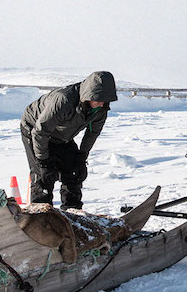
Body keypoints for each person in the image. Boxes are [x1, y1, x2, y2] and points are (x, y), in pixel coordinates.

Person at [21, 71, 117, 210]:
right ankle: (40, 217)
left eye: (104, 100)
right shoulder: (63, 100)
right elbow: (41, 131)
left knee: (74, 172)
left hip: (62, 134)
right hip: (34, 129)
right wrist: (43, 162)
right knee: (43, 177)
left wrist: (81, 157)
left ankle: (73, 213)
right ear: (88, 94)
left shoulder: (101, 108)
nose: (101, 103)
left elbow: (92, 133)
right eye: (97, 99)